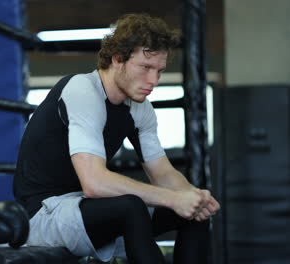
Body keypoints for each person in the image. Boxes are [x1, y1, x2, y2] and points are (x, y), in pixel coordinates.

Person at [13, 13, 220, 264]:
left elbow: (163, 173)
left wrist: (194, 197)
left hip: (88, 211)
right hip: (44, 216)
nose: (153, 81)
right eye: (145, 68)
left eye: (159, 70)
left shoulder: (140, 108)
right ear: (118, 59)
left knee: (193, 215)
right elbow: (95, 183)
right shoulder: (82, 90)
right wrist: (173, 198)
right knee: (130, 207)